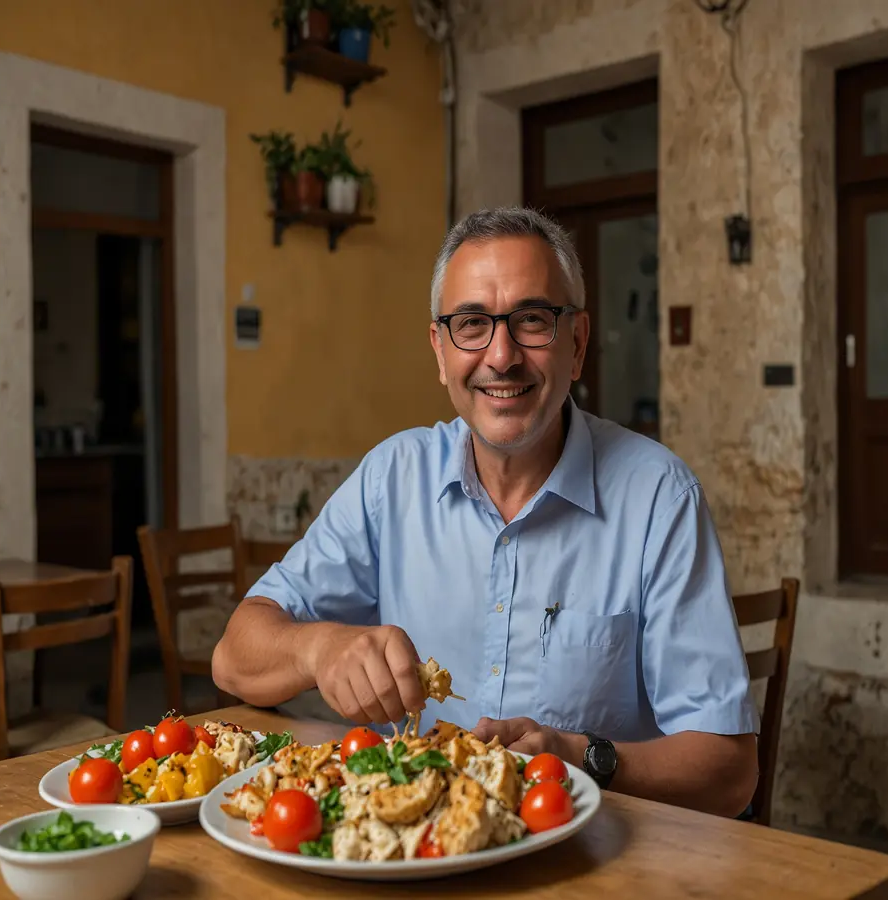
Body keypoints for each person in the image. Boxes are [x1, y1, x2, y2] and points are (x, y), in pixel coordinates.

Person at [212, 207, 759, 817]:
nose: (501, 357)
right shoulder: (392, 478)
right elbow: (234, 657)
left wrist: (578, 758)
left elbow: (730, 771)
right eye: (471, 324)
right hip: (422, 854)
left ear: (577, 344)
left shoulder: (659, 498)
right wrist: (317, 649)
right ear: (441, 352)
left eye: (531, 320)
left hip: (593, 863)